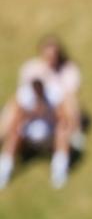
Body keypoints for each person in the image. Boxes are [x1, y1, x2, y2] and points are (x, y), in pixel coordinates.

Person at [0, 35, 83, 189]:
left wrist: (48, 112)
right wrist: (31, 113)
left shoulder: (54, 93)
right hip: (30, 131)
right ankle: (5, 169)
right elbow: (17, 114)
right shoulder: (25, 94)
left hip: (50, 132)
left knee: (62, 131)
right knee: (14, 131)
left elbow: (63, 115)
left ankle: (59, 170)